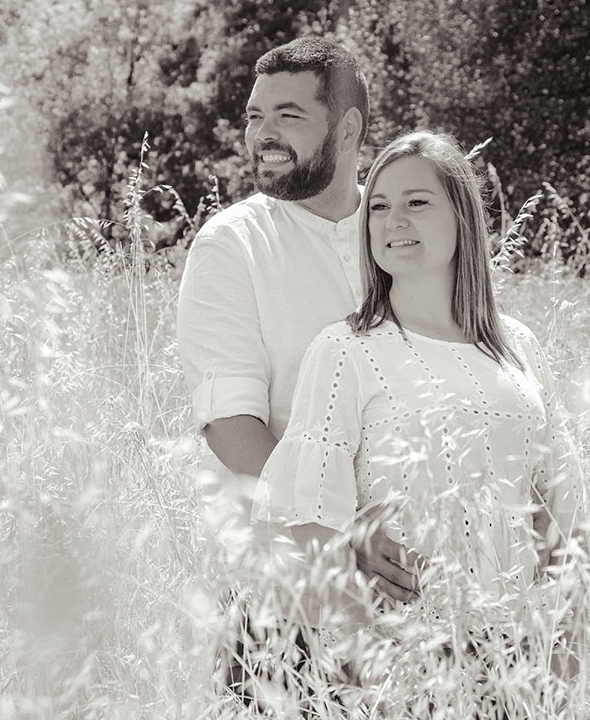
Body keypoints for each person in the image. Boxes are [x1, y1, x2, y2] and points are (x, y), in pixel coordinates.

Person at [253, 131, 585, 715]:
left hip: (521, 658)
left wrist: (564, 653)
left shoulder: (518, 347)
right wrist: (371, 657)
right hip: (407, 657)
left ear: (462, 216)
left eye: (417, 202)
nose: (393, 220)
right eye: (379, 206)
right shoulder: (346, 350)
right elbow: (303, 520)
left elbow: (562, 515)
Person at [175, 36, 419, 704]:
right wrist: (348, 532)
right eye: (255, 116)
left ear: (348, 128)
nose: (264, 134)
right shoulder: (232, 246)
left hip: (419, 589)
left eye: (288, 115)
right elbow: (230, 425)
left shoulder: (406, 231)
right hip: (285, 599)